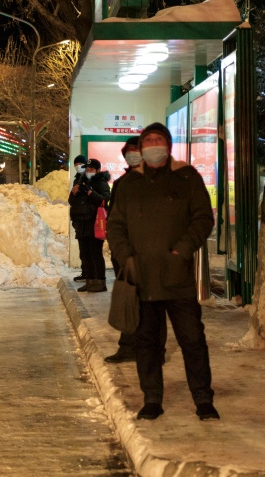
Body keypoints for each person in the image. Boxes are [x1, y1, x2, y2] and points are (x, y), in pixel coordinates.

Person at [107, 123, 219, 421]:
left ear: (168, 145)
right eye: (148, 140)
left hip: (176, 277)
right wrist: (125, 255)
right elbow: (115, 225)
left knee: (192, 339)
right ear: (141, 147)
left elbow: (203, 218)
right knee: (147, 343)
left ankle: (203, 399)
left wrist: (182, 250)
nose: (153, 144)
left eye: (159, 140)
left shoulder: (186, 177)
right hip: (142, 279)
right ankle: (152, 399)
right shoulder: (129, 184)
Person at [104, 137, 167, 365]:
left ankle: (155, 351)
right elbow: (115, 220)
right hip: (127, 254)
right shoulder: (122, 183)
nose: (132, 156)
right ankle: (128, 347)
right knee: (128, 301)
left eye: (136, 151)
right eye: (128, 152)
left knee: (153, 304)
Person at [68, 158, 111, 292]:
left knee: (95, 253)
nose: (88, 172)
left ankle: (100, 282)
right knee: (85, 254)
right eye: (86, 170)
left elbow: (105, 201)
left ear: (97, 170)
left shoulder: (101, 183)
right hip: (81, 223)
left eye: (91, 170)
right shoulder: (80, 181)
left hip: (95, 223)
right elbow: (71, 201)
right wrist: (73, 193)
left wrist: (90, 193)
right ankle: (90, 281)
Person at [70, 155, 89, 283]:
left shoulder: (89, 179)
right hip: (79, 219)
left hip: (88, 218)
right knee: (83, 249)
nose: (78, 166)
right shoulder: (76, 179)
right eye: (76, 164)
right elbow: (71, 200)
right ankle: (85, 272)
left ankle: (92, 275)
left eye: (80, 164)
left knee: (90, 250)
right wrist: (73, 192)